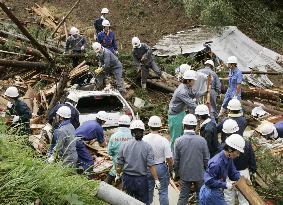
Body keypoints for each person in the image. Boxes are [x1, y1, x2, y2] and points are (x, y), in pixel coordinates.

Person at [116, 120, 160, 205]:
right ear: (143, 132)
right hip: (141, 179)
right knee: (143, 202)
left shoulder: (124, 145)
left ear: (131, 132)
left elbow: (119, 163)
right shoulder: (147, 147)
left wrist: (117, 174)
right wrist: (156, 179)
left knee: (127, 201)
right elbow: (151, 165)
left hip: (127, 179)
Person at [199, 134, 245, 205]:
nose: (238, 155)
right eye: (237, 152)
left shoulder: (229, 158)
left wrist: (241, 178)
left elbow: (232, 173)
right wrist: (225, 184)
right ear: (230, 150)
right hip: (210, 192)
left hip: (216, 191)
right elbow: (208, 181)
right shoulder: (216, 163)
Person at [174, 114, 210, 205]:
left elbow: (176, 160)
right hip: (199, 173)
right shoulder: (202, 140)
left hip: (185, 174)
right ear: (195, 126)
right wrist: (208, 172)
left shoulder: (178, 141)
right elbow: (206, 159)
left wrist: (177, 174)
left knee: (183, 197)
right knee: (201, 196)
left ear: (183, 125)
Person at [168, 69, 206, 150]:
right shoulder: (182, 91)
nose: (194, 82)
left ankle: (182, 150)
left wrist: (205, 92)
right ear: (188, 80)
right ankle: (173, 156)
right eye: (193, 81)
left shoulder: (188, 86)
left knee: (182, 134)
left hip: (181, 112)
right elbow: (191, 104)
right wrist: (202, 111)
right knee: (175, 137)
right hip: (175, 115)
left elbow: (194, 94)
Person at [143, 116, 173, 205]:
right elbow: (169, 158)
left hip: (147, 167)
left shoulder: (144, 139)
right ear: (160, 127)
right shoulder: (164, 140)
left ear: (149, 126)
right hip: (160, 167)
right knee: (163, 192)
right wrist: (170, 169)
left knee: (148, 192)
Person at [224, 139, 257, 205]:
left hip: (229, 173)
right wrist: (253, 170)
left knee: (228, 197)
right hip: (244, 173)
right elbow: (251, 158)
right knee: (244, 197)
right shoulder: (247, 143)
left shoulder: (228, 143)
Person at [106, 115, 133, 184]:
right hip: (130, 167)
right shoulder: (133, 136)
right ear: (129, 124)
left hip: (117, 165)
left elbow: (109, 152)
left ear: (119, 124)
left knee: (108, 182)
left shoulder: (114, 136)